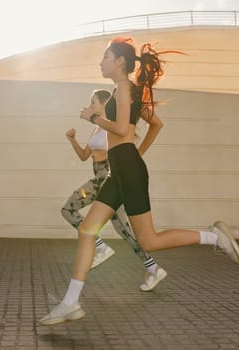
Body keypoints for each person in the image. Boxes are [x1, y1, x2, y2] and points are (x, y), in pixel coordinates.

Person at [39, 37, 239, 326]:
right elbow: (155, 124)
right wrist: (137, 152)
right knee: (87, 229)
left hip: (127, 171)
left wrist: (95, 118)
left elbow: (122, 129)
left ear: (119, 61)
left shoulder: (123, 88)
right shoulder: (127, 90)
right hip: (120, 171)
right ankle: (70, 303)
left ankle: (214, 236)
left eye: (105, 57)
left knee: (149, 240)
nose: (101, 62)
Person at [61, 88, 167, 292]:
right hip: (102, 178)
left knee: (68, 209)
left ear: (104, 104)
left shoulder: (111, 125)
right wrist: (72, 139)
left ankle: (100, 246)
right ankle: (153, 268)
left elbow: (125, 141)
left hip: (106, 177)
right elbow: (85, 156)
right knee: (123, 229)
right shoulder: (97, 128)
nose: (91, 106)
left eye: (94, 103)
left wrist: (138, 154)